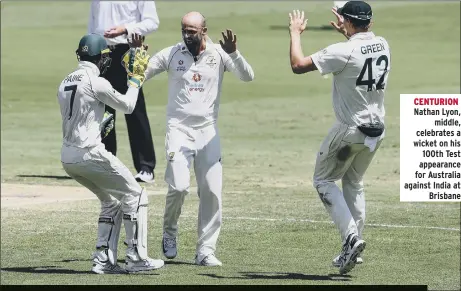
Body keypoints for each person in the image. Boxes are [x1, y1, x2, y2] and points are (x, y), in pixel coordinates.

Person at [141, 11, 254, 266]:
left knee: (212, 190)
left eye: (192, 31)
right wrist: (136, 59)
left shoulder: (218, 53)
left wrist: (234, 53)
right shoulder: (172, 53)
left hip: (208, 131)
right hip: (178, 129)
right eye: (184, 30)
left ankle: (206, 250)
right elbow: (140, 75)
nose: (187, 35)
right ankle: (169, 232)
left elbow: (248, 76)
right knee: (179, 186)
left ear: (204, 30)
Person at [288, 1, 391, 275]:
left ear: (346, 21)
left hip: (350, 131)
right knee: (354, 182)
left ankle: (351, 238)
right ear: (369, 22)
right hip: (377, 130)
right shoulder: (383, 44)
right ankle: (353, 251)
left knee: (322, 180)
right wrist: (348, 30)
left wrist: (296, 33)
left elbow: (298, 65)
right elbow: (358, 48)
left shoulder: (341, 51)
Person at [57, 33, 164, 274]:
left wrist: (101, 122)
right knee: (136, 196)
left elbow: (82, 113)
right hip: (90, 154)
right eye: (105, 56)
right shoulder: (97, 82)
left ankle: (103, 261)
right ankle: (137, 258)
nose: (107, 61)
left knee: (112, 201)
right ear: (98, 57)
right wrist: (135, 79)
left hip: (68, 157)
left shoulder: (64, 81)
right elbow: (127, 106)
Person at [88, 0, 159, 183]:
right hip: (102, 52)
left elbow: (152, 22)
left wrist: (125, 29)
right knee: (104, 110)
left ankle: (145, 167)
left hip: (127, 49)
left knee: (134, 108)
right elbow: (93, 23)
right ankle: (107, 162)